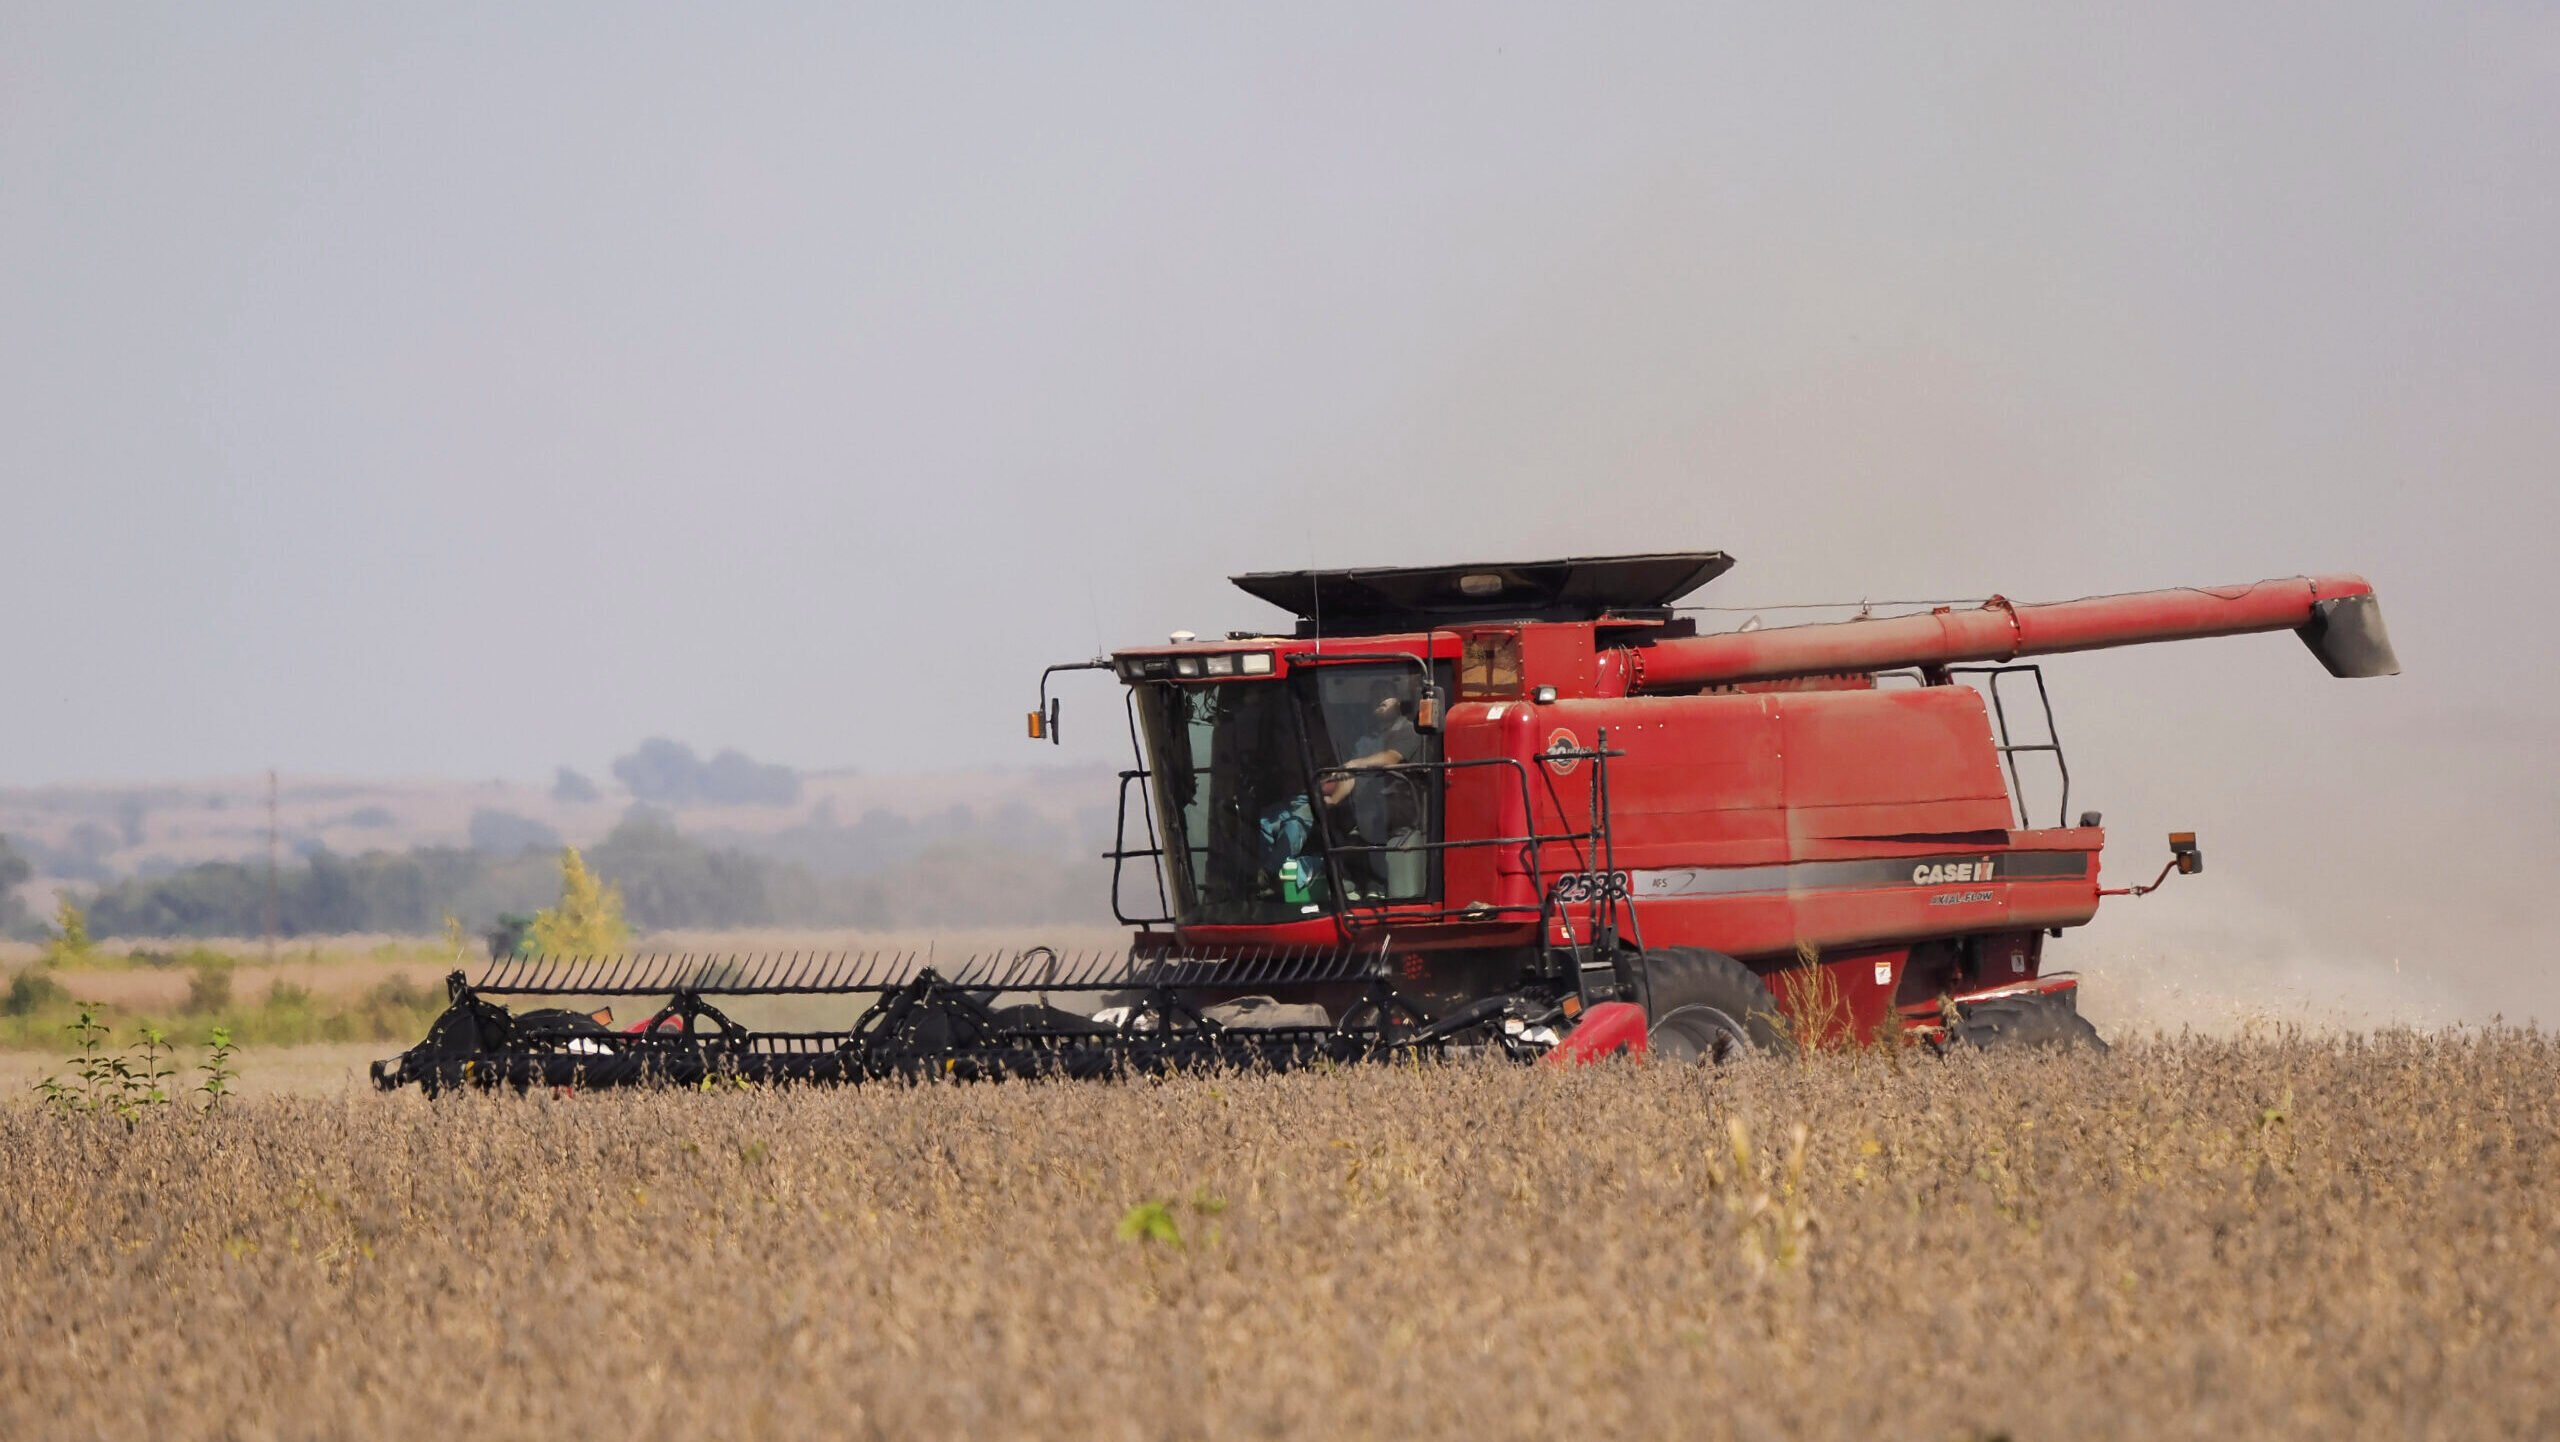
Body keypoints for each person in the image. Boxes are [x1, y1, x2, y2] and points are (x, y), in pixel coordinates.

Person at [1320, 680, 1431, 898]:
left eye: (1385, 694)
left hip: (1401, 822)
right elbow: (1350, 776)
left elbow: (1391, 758)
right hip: (1368, 819)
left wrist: (1353, 764)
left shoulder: (1411, 731)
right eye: (1375, 696)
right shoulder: (1366, 740)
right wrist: (1332, 802)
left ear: (1398, 701)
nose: (1379, 699)